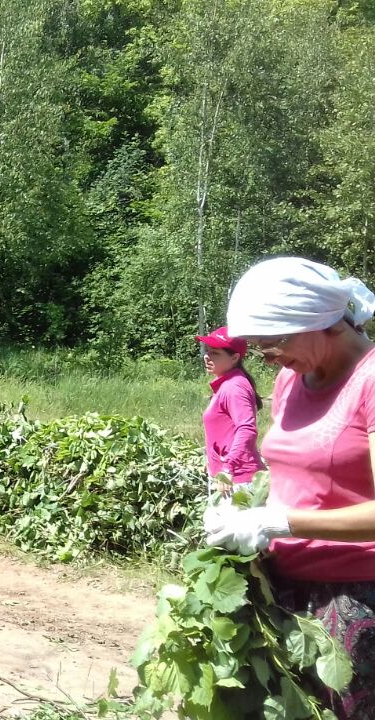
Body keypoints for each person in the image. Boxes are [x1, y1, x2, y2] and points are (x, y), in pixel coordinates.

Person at [204, 257, 375, 717]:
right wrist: (243, 508)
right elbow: (295, 471)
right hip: (281, 592)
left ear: (324, 324)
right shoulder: (289, 381)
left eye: (272, 343)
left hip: (354, 603)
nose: (267, 358)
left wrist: (279, 521)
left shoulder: (370, 382)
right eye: (257, 348)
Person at [195, 326, 265, 490]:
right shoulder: (228, 384)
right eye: (207, 351)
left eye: (215, 353)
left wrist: (228, 467)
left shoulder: (234, 387)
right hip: (232, 479)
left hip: (239, 481)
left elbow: (247, 429)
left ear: (234, 358)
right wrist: (212, 463)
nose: (207, 357)